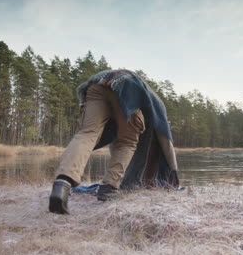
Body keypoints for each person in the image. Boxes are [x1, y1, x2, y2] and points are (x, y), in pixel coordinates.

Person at [49, 69, 179, 214]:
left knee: (87, 134)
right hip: (126, 88)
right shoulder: (157, 105)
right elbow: (165, 138)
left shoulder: (126, 82)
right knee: (127, 141)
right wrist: (173, 171)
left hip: (96, 86)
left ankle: (62, 183)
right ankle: (109, 188)